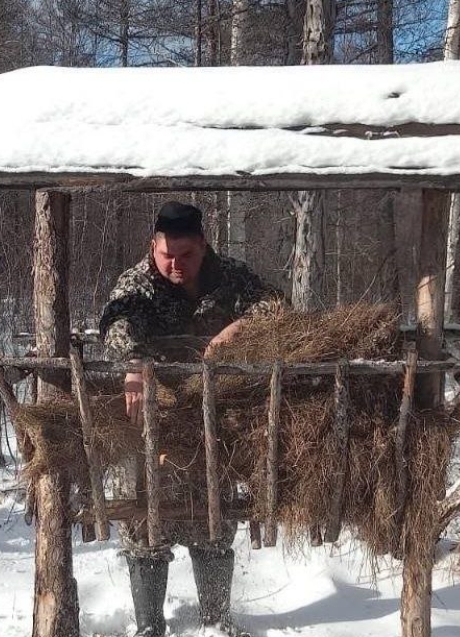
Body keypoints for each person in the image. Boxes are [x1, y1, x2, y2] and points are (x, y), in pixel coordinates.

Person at [99, 200, 279, 637]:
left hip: (213, 417)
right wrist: (135, 365)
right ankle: (149, 626)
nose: (176, 265)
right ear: (153, 246)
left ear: (203, 244)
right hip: (153, 417)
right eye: (166, 256)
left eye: (186, 256)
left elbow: (274, 307)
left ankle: (215, 622)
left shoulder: (230, 276)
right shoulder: (138, 282)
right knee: (143, 517)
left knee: (212, 518)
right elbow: (116, 324)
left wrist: (234, 332)